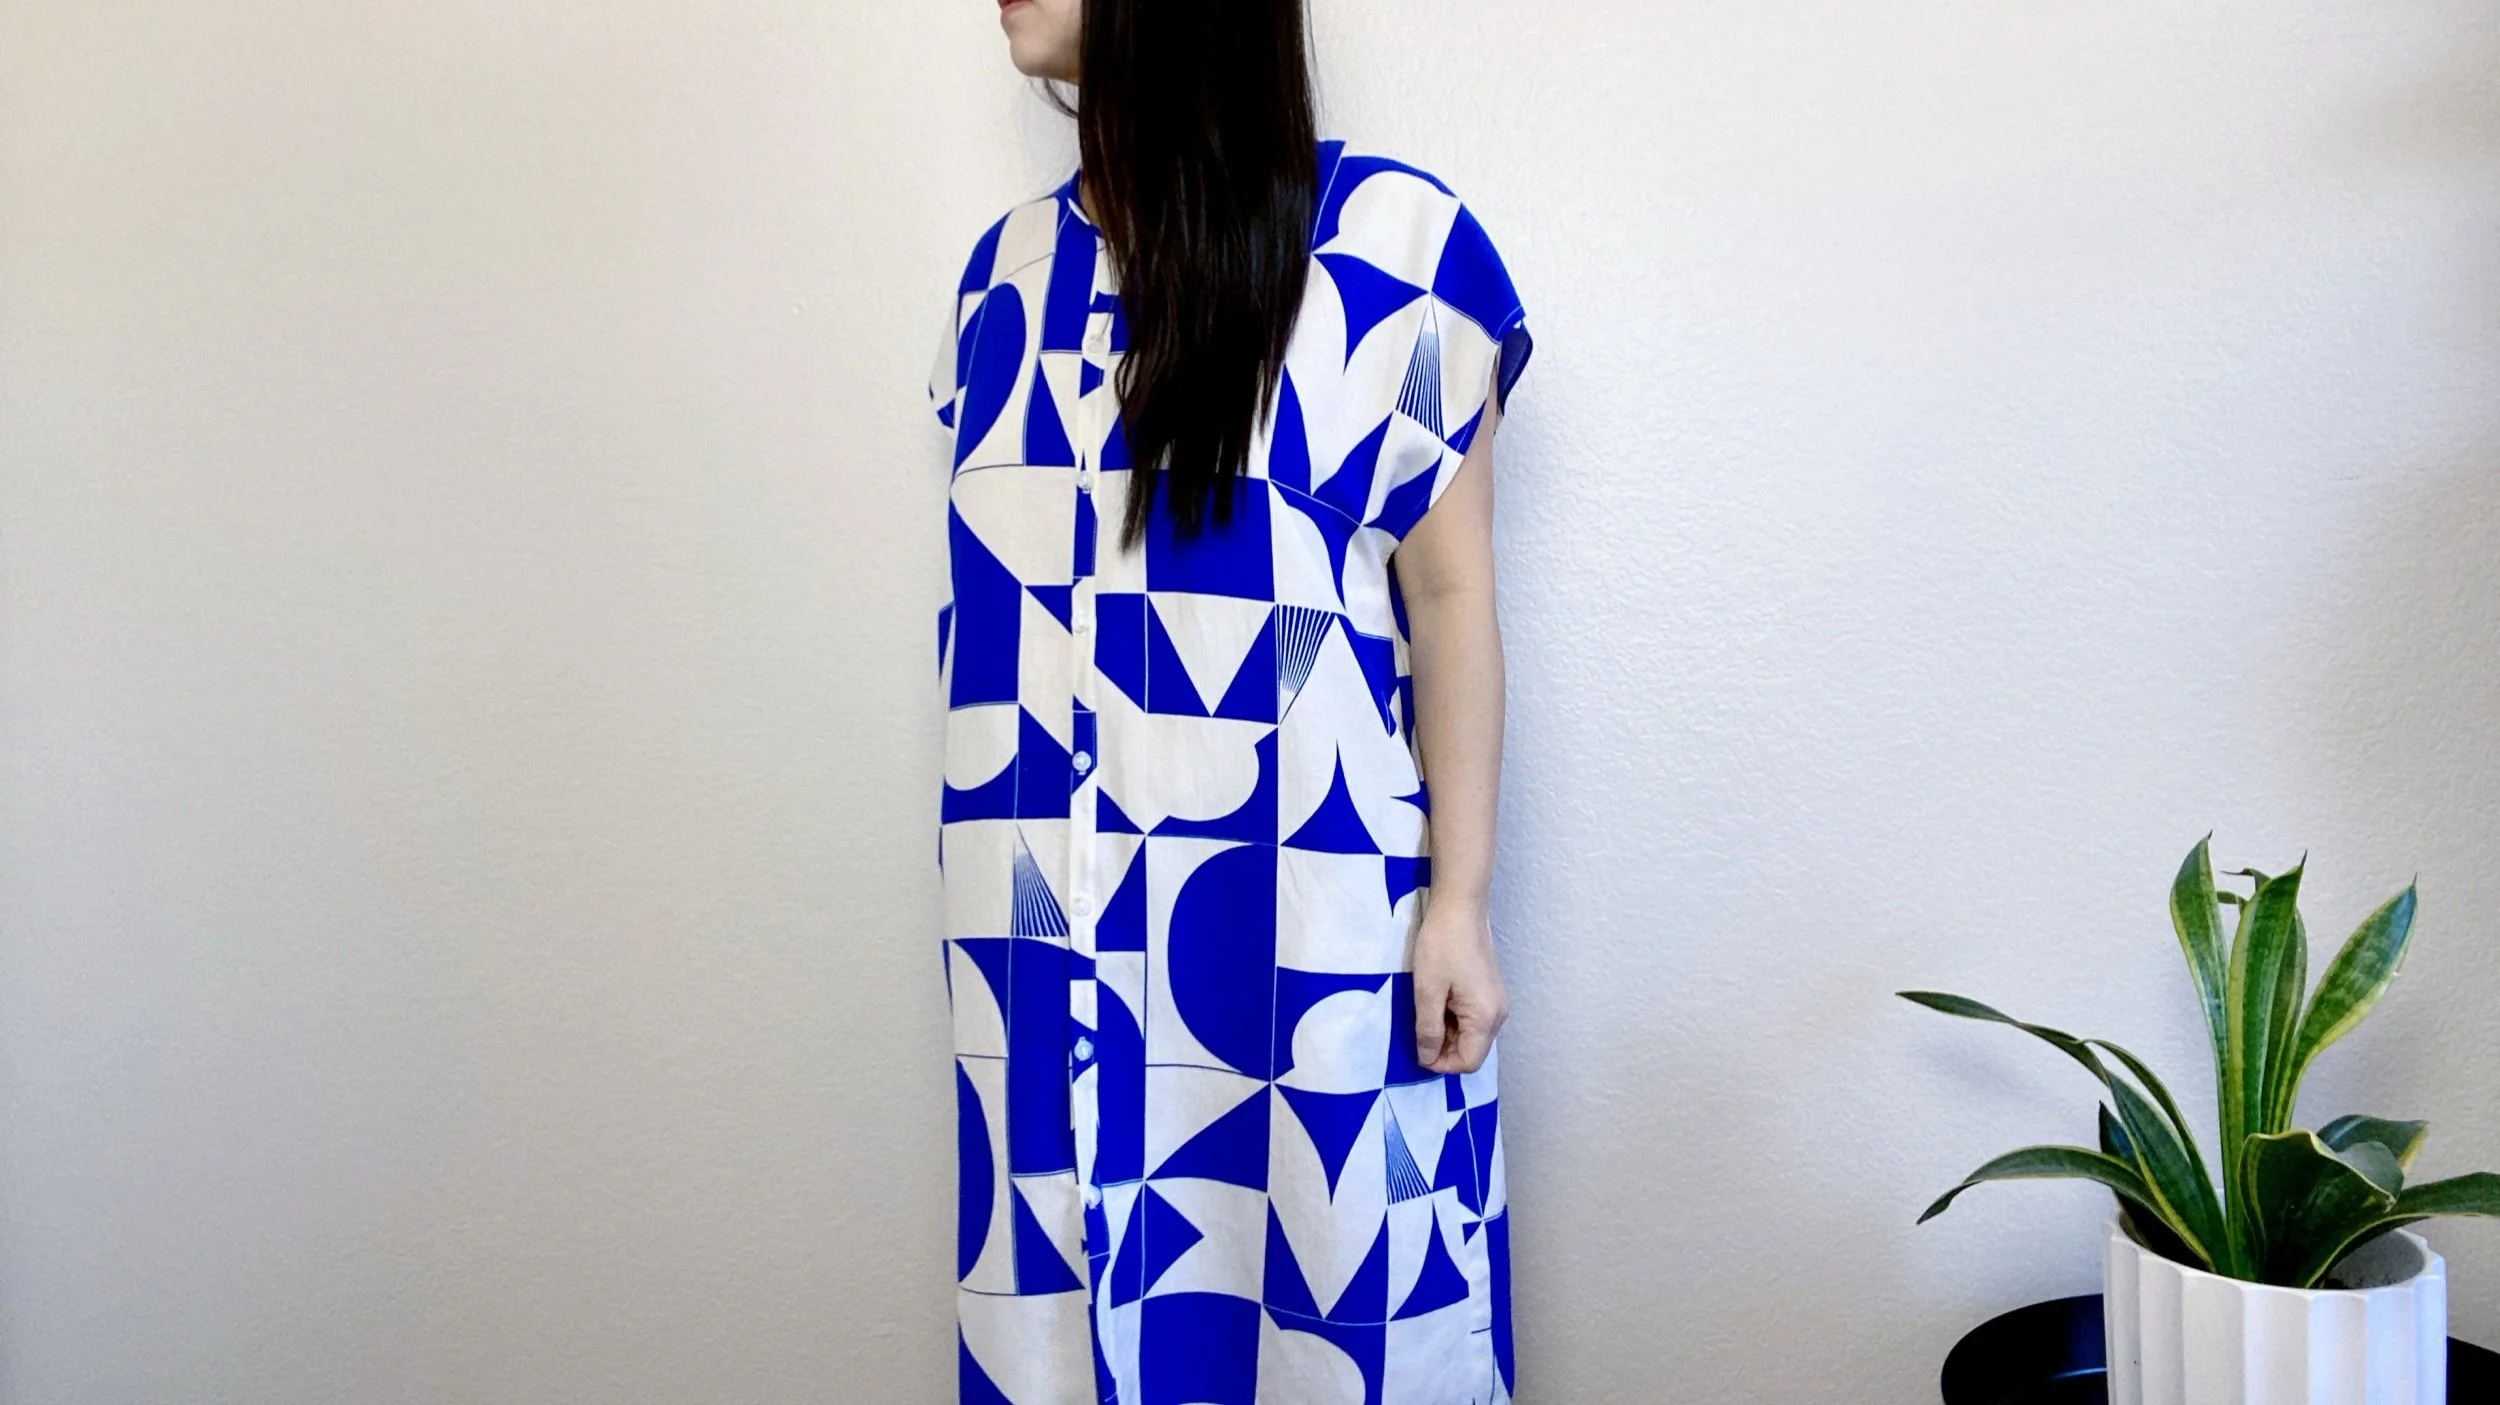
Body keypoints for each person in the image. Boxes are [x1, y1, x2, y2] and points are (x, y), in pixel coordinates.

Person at [928, 1, 1532, 1399]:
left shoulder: (1392, 250)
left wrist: (1459, 904)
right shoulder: (998, 285)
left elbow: (1450, 595)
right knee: (1069, 1331)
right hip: (1034, 953)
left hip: (1304, 938)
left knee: (1336, 1314)